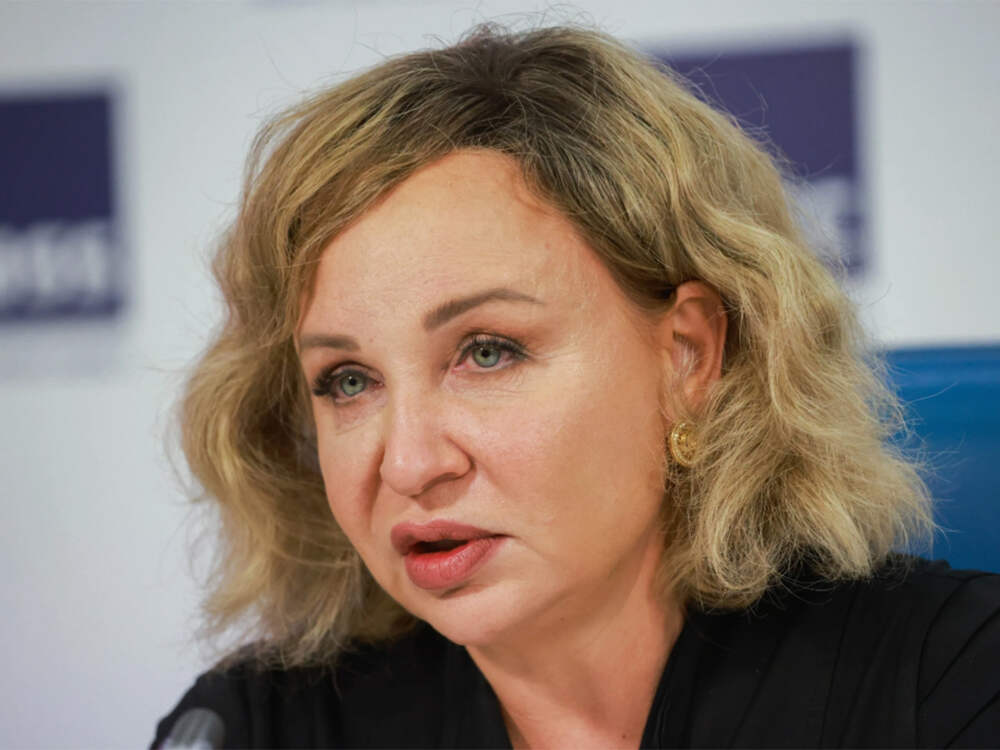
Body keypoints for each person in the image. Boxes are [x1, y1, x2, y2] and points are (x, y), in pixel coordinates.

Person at [152, 24, 999, 749]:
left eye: (487, 352)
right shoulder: (260, 727)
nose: (407, 463)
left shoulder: (953, 683)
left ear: (688, 357)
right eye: (347, 381)